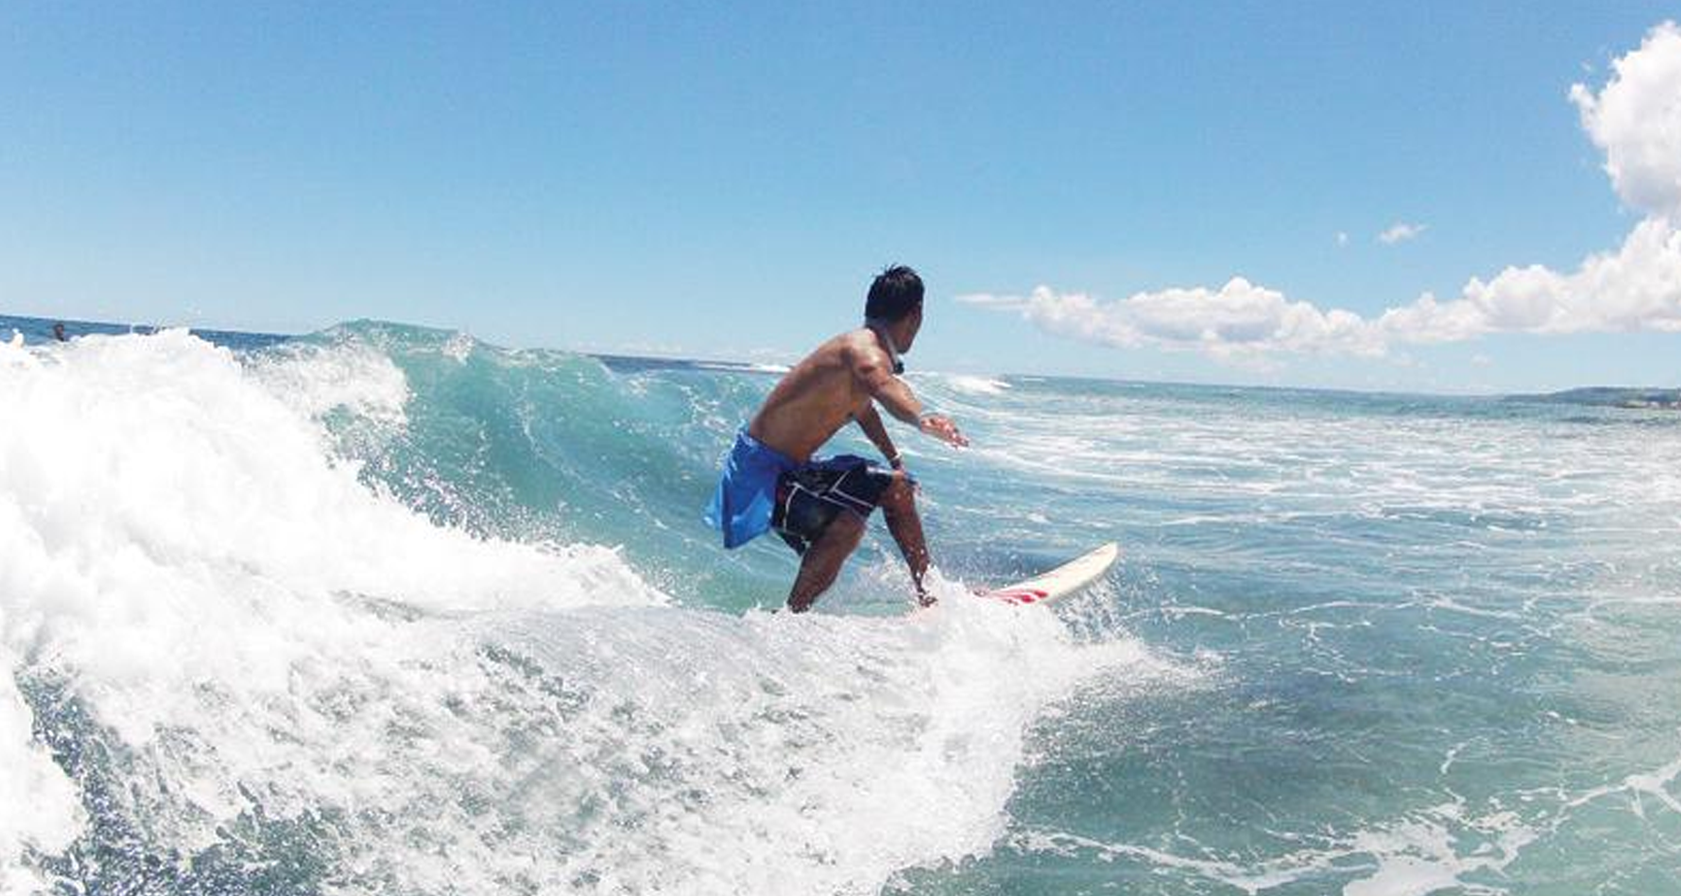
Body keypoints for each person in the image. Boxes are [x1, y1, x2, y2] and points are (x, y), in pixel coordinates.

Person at [704, 265, 968, 612]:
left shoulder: (856, 348)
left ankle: (929, 595)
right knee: (849, 523)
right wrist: (922, 418)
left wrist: (895, 459)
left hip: (789, 470)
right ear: (916, 314)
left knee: (896, 486)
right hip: (764, 477)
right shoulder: (866, 354)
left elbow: (864, 409)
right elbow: (885, 387)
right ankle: (790, 618)